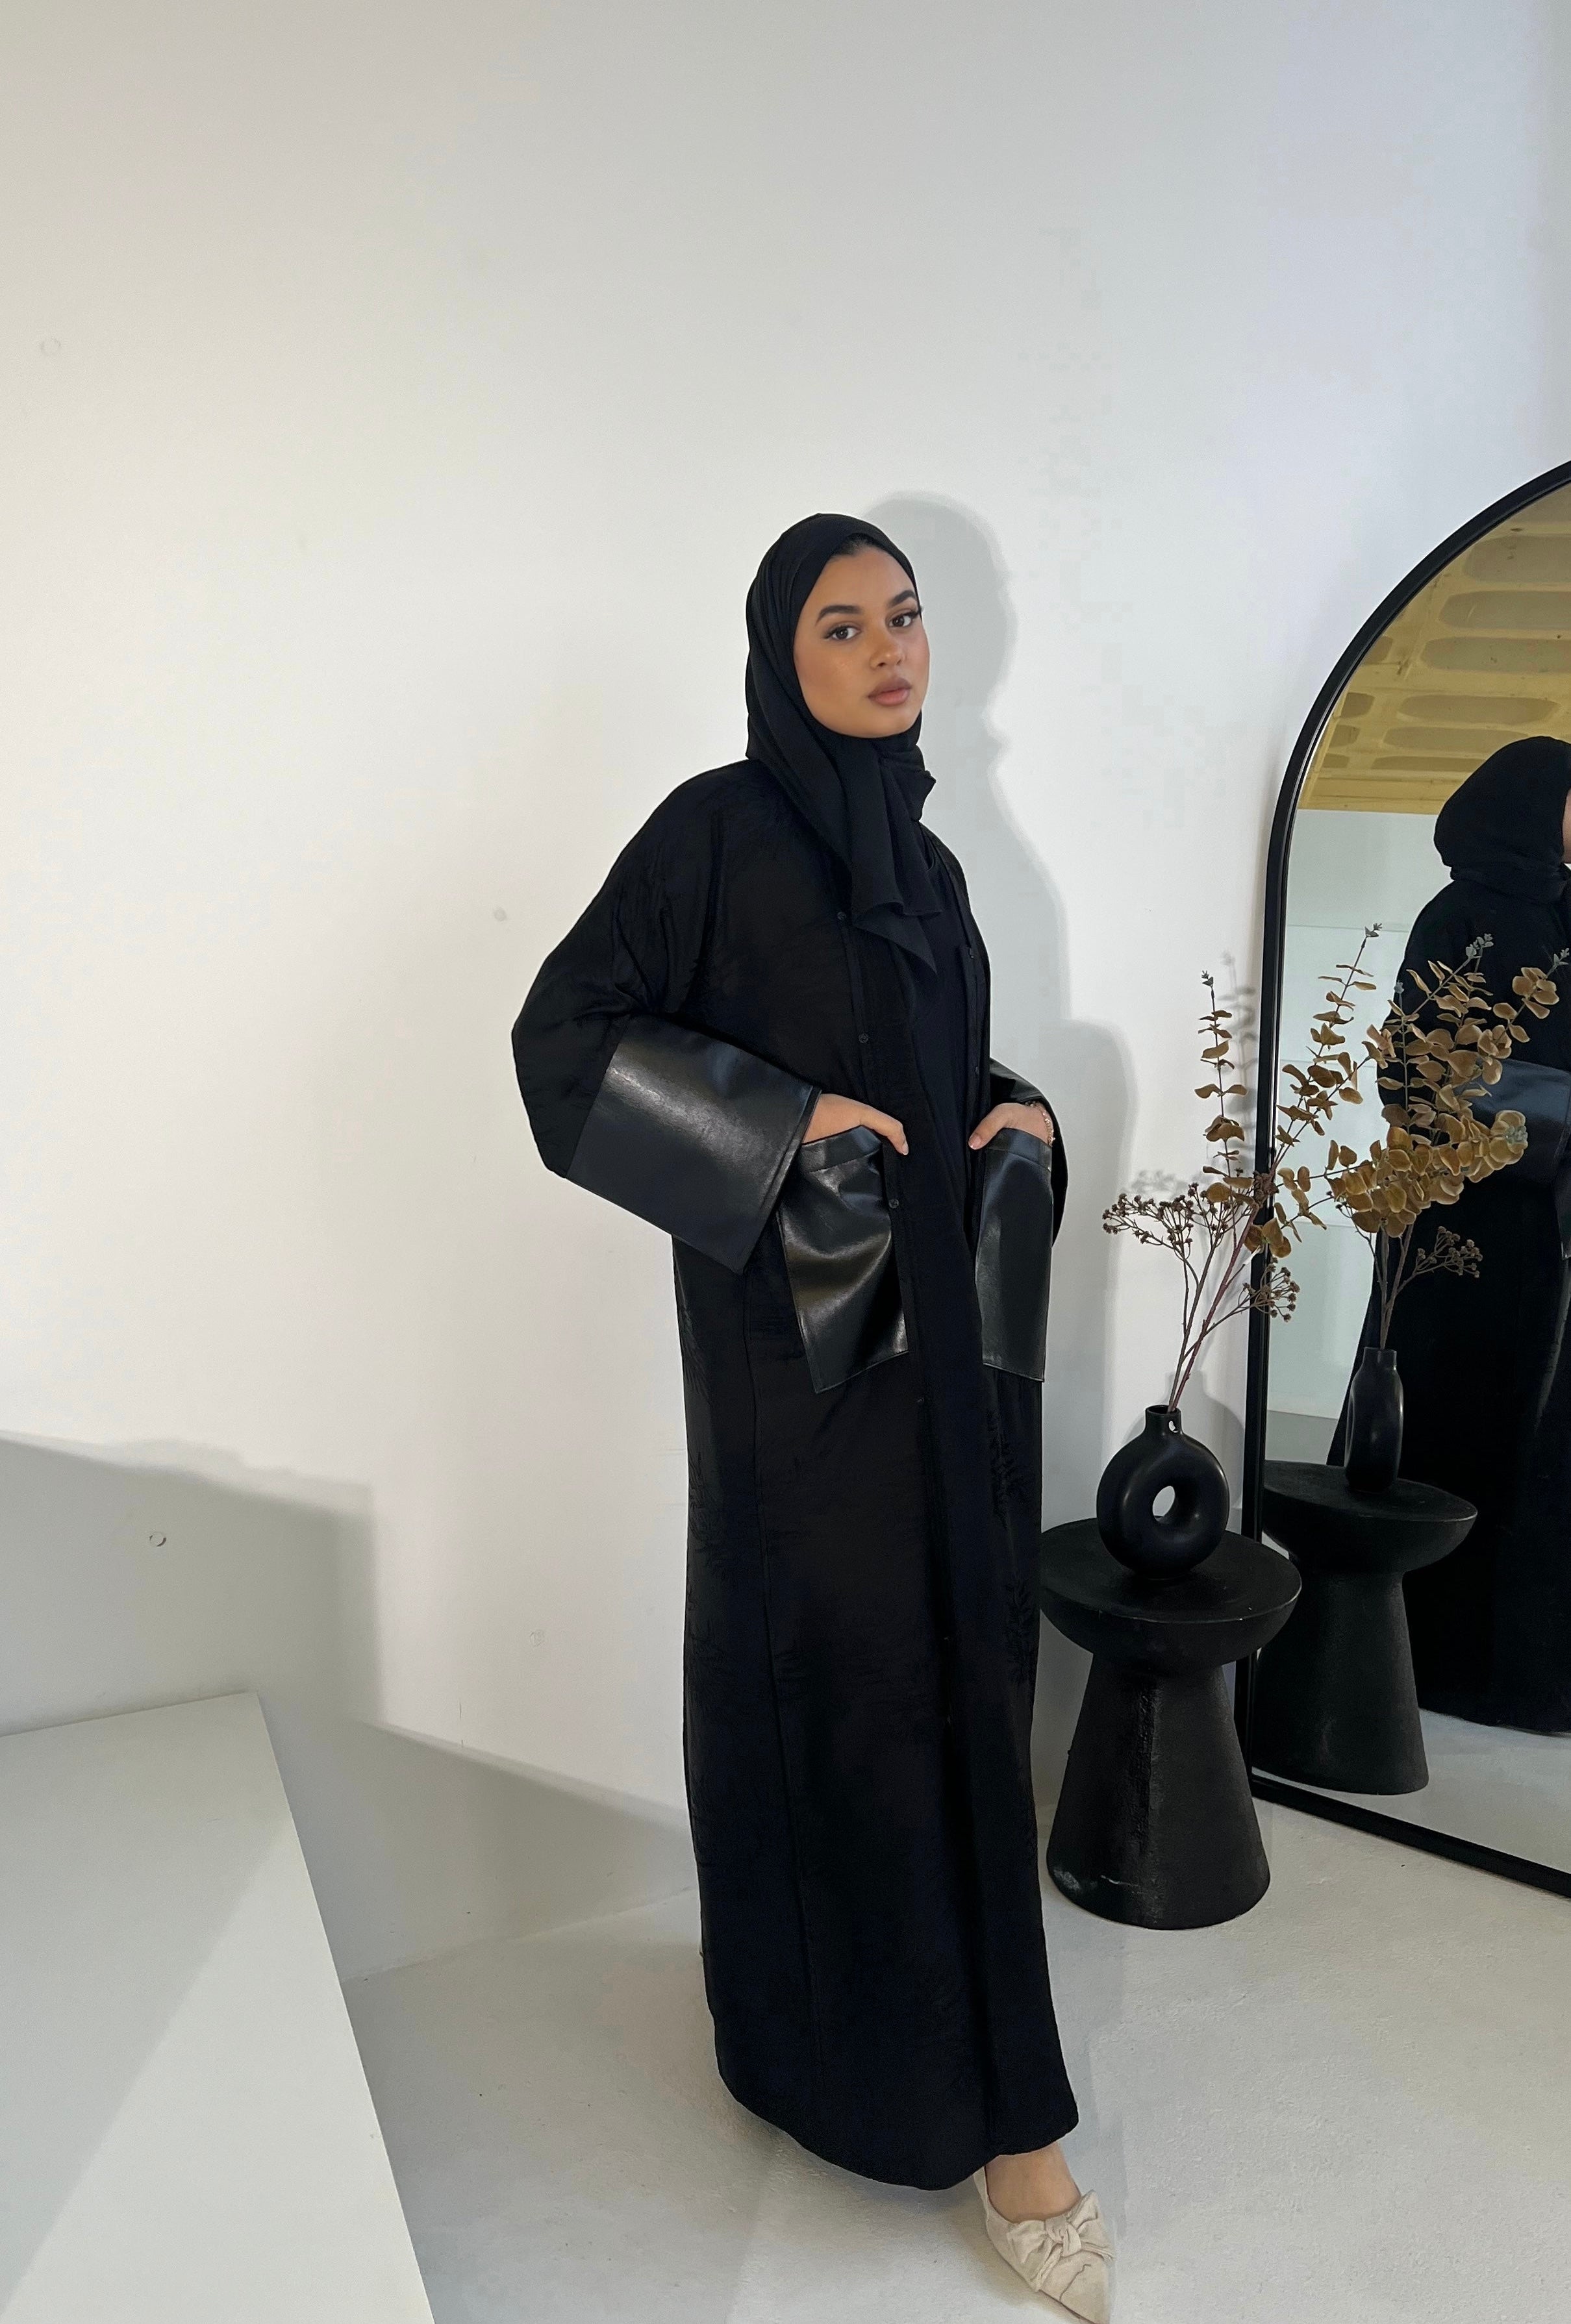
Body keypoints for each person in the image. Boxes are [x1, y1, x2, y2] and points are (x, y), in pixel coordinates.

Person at [512, 514, 1112, 2317]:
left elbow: (924, 1068)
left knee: (962, 1685)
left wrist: (1008, 1108)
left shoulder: (929, 861)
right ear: (780, 653)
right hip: (798, 1374)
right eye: (841, 624)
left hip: (946, 1363)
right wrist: (786, 1131)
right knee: (838, 1697)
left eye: (903, 616)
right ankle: (837, 2061)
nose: (886, 648)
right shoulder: (711, 833)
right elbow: (565, 1042)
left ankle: (999, 2108)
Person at [1361, 736, 1571, 1733]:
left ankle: (1524, 1675)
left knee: (1543, 1446)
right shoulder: (1460, 916)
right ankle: (1431, 1664)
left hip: (1554, 1239)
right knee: (1453, 1429)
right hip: (1462, 1230)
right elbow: (1412, 1079)